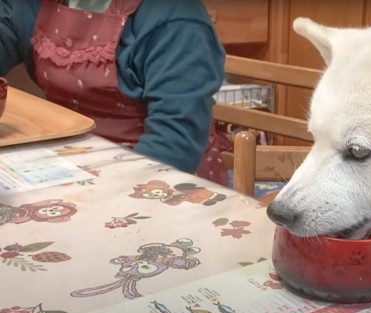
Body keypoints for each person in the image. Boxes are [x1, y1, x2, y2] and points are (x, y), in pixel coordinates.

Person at [0, 0, 231, 186]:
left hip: (161, 182)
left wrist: (98, 194)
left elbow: (175, 142)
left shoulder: (175, 16)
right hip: (72, 167)